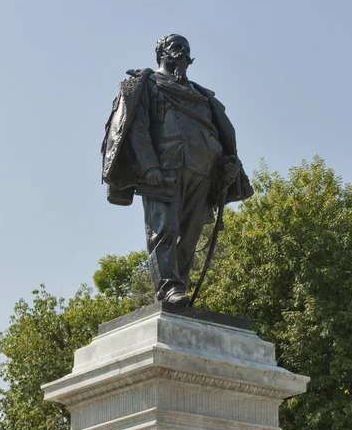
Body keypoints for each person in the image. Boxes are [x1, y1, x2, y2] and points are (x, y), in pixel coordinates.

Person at [102, 34, 253, 305]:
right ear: (161, 52)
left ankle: (178, 287)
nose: (183, 52)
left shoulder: (202, 94)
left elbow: (218, 133)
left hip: (203, 173)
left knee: (191, 234)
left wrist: (225, 166)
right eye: (176, 47)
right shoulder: (147, 85)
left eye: (187, 49)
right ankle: (168, 288)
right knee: (164, 231)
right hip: (165, 170)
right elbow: (136, 128)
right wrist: (149, 167)